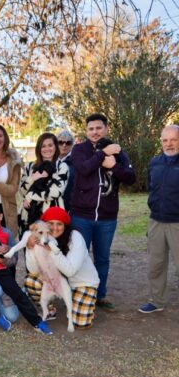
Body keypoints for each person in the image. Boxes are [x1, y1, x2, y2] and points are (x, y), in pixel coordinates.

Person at [70, 113, 136, 311]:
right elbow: (83, 168)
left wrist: (114, 165)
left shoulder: (117, 150)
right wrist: (102, 154)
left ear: (106, 129)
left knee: (102, 258)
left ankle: (100, 295)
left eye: (99, 128)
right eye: (91, 129)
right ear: (86, 131)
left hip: (107, 217)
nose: (95, 132)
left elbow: (130, 178)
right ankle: (78, 294)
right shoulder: (79, 149)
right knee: (78, 256)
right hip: (81, 216)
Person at [0, 202, 52, 334]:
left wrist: (6, 255)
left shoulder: (7, 233)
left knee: (18, 294)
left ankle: (37, 322)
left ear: (1, 217)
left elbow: (14, 254)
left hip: (1, 269)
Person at [24, 207, 100, 330]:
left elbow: (70, 271)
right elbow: (33, 270)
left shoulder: (75, 237)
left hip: (80, 282)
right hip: (56, 280)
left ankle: (81, 301)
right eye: (50, 224)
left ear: (65, 225)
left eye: (59, 224)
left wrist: (52, 251)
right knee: (31, 280)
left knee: (81, 323)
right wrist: (30, 248)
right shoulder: (41, 238)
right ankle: (49, 310)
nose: (54, 228)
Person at [138, 125, 179, 314]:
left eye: (174, 140)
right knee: (156, 265)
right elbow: (151, 188)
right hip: (156, 221)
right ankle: (157, 301)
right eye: (165, 140)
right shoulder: (155, 162)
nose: (169, 144)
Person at [18, 132, 69, 233]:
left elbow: (56, 192)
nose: (47, 149)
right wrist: (32, 178)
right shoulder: (30, 166)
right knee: (29, 241)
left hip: (52, 216)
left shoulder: (61, 167)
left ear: (55, 147)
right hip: (28, 215)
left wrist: (31, 196)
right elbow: (22, 190)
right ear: (39, 148)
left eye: (50, 145)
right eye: (43, 146)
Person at [57, 130, 75, 211]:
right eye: (60, 142)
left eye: (68, 143)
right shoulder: (50, 160)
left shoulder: (76, 161)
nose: (64, 145)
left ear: (72, 144)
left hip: (70, 205)